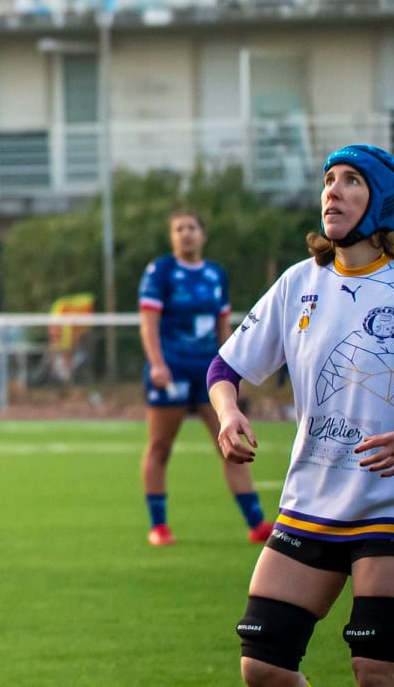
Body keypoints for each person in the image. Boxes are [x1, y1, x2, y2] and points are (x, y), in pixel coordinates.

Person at [210, 145, 394, 686]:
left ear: (383, 201)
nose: (333, 191)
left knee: (378, 669)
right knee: (264, 666)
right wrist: (228, 416)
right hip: (309, 505)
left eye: (351, 181)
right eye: (328, 180)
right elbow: (224, 369)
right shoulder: (300, 282)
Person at [138, 209, 272, 547]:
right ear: (172, 237)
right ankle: (159, 526)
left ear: (203, 234)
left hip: (208, 371)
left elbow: (223, 329)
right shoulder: (161, 271)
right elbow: (149, 323)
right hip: (172, 368)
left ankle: (256, 523)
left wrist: (233, 368)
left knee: (229, 445)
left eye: (191, 227)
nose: (185, 234)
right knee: (160, 446)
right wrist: (157, 364)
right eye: (178, 229)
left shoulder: (216, 274)